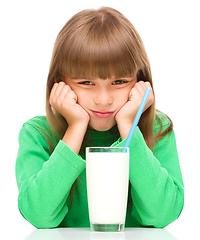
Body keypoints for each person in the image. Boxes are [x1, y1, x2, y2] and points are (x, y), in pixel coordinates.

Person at [15, 7, 184, 229]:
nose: (103, 100)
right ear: (60, 82)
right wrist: (76, 127)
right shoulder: (38, 133)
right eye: (86, 83)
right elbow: (38, 214)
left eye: (119, 82)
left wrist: (127, 125)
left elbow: (164, 214)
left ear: (140, 81)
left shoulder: (157, 128)